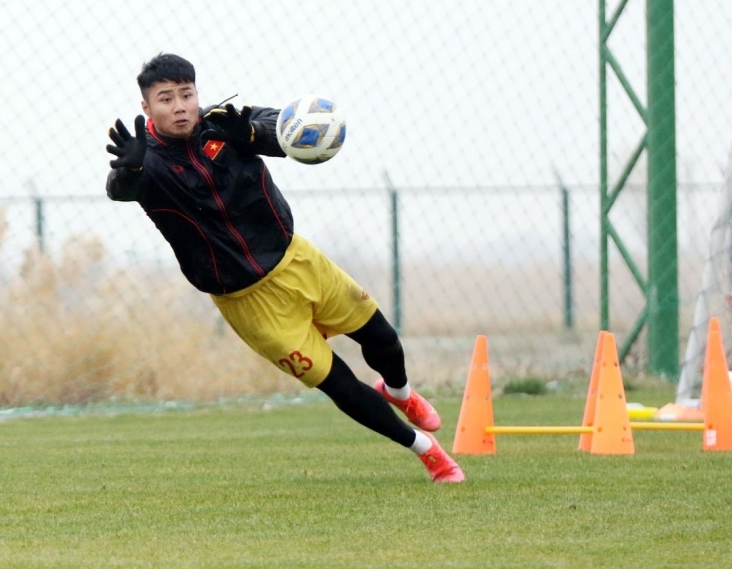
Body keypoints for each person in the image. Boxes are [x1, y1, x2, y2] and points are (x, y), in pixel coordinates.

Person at [105, 53, 464, 483]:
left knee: (383, 339)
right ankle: (427, 451)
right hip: (246, 301)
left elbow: (288, 129)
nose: (180, 106)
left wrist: (254, 132)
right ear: (147, 108)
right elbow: (120, 190)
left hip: (298, 260)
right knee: (339, 383)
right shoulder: (148, 163)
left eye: (187, 94)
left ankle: (400, 392)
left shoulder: (227, 123)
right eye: (166, 99)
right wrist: (130, 167)